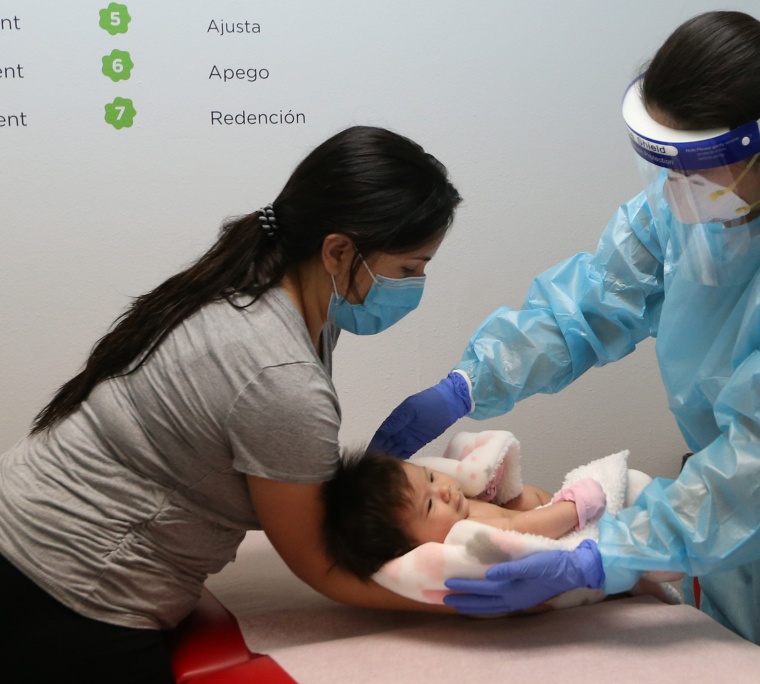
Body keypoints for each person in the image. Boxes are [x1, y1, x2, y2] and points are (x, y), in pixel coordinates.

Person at [369, 12, 760, 684]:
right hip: (738, 549)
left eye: (694, 168)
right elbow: (591, 302)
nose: (673, 188)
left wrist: (594, 558)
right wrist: (470, 383)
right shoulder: (706, 203)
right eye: (663, 163)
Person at [0, 125, 466, 683]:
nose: (415, 285)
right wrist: (479, 596)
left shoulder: (270, 288)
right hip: (65, 591)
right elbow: (320, 562)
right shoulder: (279, 374)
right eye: (409, 268)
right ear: (339, 251)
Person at [321, 449, 606, 579]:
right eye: (430, 505)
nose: (443, 490)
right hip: (579, 529)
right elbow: (519, 527)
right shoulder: (466, 531)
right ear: (408, 549)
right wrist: (573, 509)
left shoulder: (458, 506)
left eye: (431, 478)